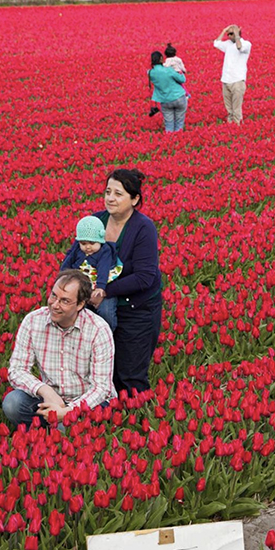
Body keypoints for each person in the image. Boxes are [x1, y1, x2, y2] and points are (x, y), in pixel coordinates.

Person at [2, 270, 115, 429]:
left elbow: (102, 388)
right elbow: (16, 370)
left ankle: (50, 434)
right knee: (13, 403)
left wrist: (68, 411)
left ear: (80, 305)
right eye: (54, 296)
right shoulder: (33, 321)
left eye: (65, 301)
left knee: (64, 427)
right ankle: (41, 433)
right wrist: (45, 390)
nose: (55, 305)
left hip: (88, 403)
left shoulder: (98, 330)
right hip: (50, 399)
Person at [89, 169, 163, 395]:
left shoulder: (143, 228)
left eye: (118, 194)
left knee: (129, 376)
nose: (110, 198)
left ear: (134, 199)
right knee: (101, 371)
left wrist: (104, 290)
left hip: (136, 308)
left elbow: (144, 277)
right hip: (98, 305)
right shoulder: (96, 221)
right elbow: (77, 255)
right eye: (107, 192)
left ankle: (135, 411)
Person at [59, 216, 119, 330]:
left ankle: (107, 332)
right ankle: (81, 331)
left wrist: (100, 287)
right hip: (82, 286)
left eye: (92, 243)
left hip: (102, 284)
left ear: (100, 240)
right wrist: (63, 278)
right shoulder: (78, 249)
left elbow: (104, 269)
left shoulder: (105, 251)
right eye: (83, 243)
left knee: (106, 311)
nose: (87, 247)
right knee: (77, 309)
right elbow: (68, 262)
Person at [213, 24, 251, 124]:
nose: (229, 36)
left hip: (237, 81)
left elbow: (239, 47)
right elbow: (216, 43)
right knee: (229, 111)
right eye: (228, 34)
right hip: (226, 80)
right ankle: (230, 127)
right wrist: (223, 30)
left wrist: (236, 34)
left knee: (236, 110)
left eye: (231, 34)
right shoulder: (228, 44)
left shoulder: (246, 44)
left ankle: (238, 128)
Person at [148, 50, 187, 133]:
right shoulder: (169, 70)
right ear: (161, 59)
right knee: (179, 122)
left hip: (165, 101)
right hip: (179, 97)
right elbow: (182, 79)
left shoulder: (150, 73)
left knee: (169, 124)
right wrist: (180, 71)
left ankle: (170, 139)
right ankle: (179, 138)